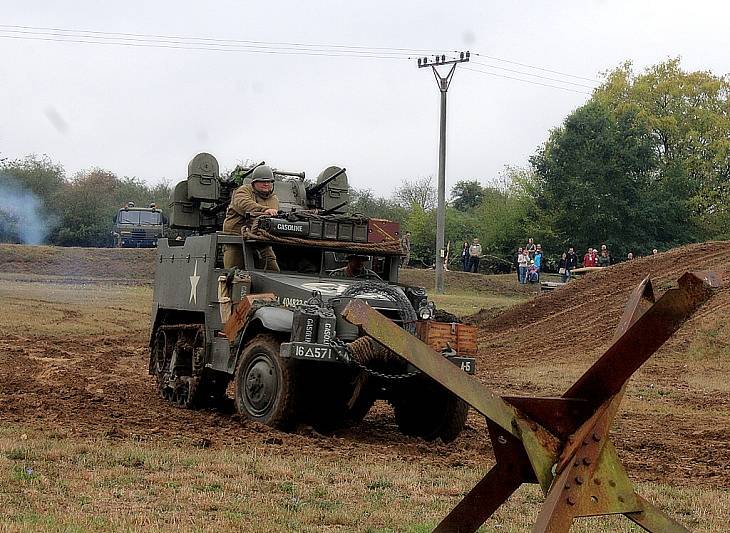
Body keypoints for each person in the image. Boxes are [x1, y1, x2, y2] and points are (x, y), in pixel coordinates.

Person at [222, 165, 280, 271]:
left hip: (260, 239)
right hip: (236, 237)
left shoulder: (273, 199)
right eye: (262, 181)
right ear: (254, 183)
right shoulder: (243, 191)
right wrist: (264, 210)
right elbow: (243, 204)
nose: (266, 184)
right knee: (233, 272)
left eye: (269, 181)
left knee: (273, 271)